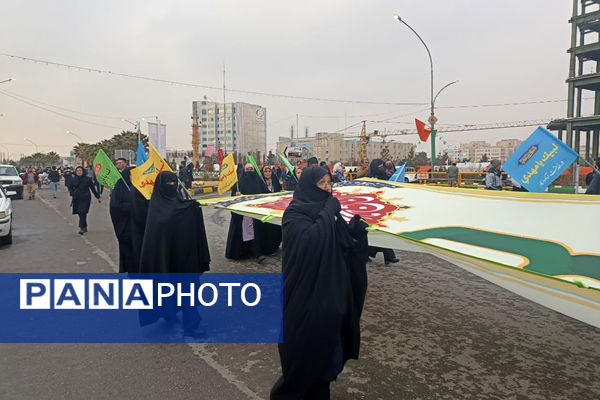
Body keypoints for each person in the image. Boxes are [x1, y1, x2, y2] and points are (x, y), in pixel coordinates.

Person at [270, 167, 369, 400]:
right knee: (305, 354)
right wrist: (328, 211)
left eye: (329, 182)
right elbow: (310, 243)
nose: (327, 187)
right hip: (304, 298)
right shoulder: (295, 214)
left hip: (330, 297)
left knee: (327, 354)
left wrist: (356, 233)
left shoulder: (328, 213)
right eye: (321, 183)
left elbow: (342, 247)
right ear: (308, 186)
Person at [138, 171, 210, 337]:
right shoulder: (156, 207)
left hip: (184, 258)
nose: (172, 186)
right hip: (165, 260)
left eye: (174, 182)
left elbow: (183, 214)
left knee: (187, 289)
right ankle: (169, 315)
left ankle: (191, 325)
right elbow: (162, 226)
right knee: (168, 288)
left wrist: (193, 208)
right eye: (168, 183)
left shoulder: (180, 202)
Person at [225, 164, 269, 263]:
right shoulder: (239, 182)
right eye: (247, 169)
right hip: (242, 214)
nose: (249, 171)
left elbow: (266, 193)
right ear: (244, 171)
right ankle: (241, 253)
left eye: (251, 169)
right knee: (242, 233)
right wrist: (236, 195)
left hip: (255, 212)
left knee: (255, 233)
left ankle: (257, 253)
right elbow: (232, 197)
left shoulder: (258, 181)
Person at [366, 159, 399, 264]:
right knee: (375, 233)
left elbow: (393, 175)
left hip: (382, 208)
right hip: (372, 210)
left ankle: (386, 255)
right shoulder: (367, 178)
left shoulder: (384, 175)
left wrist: (391, 165)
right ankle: (388, 256)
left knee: (380, 232)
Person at [109, 158, 136, 273]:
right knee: (128, 249)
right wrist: (129, 206)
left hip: (137, 225)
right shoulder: (120, 186)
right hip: (125, 226)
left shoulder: (138, 187)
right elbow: (115, 205)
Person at [68, 166, 101, 234]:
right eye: (77, 171)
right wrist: (72, 193)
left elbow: (93, 189)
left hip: (85, 198)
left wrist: (98, 197)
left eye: (80, 171)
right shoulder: (74, 179)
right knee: (80, 213)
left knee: (82, 211)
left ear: (83, 171)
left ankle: (81, 228)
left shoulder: (88, 179)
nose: (79, 172)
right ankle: (84, 226)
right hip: (76, 198)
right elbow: (70, 187)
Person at [260, 165, 283, 255]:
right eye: (266, 171)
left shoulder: (275, 181)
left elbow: (278, 191)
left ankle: (274, 246)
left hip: (274, 208)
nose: (268, 173)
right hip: (264, 208)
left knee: (275, 228)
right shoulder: (261, 182)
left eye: (269, 171)